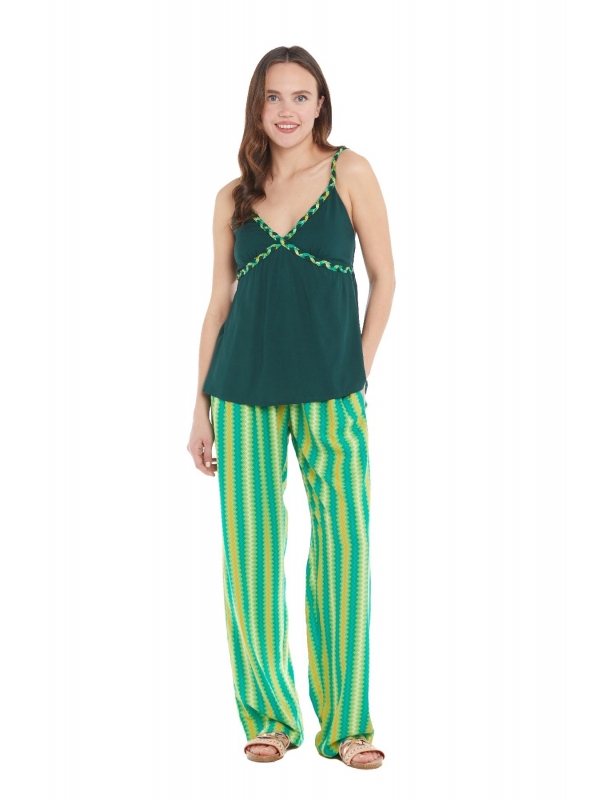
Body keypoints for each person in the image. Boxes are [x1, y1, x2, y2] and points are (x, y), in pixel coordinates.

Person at [187, 45, 395, 769]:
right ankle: (270, 717)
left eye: (301, 96)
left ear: (320, 104)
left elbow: (385, 278)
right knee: (250, 555)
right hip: (240, 392)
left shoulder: (350, 172)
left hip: (333, 391)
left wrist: (356, 369)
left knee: (345, 550)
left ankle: (347, 728)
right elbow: (219, 304)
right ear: (257, 105)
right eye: (273, 97)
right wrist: (199, 407)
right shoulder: (232, 197)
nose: (287, 110)